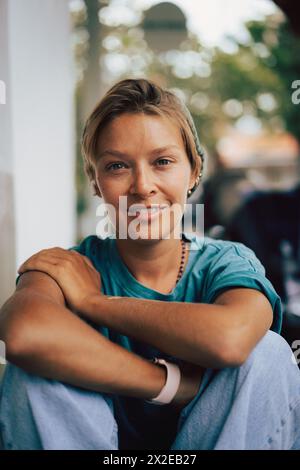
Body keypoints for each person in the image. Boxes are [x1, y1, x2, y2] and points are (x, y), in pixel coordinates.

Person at [0, 78, 300, 450]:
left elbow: (232, 338)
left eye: (162, 162)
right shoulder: (67, 268)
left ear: (193, 172)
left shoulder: (227, 262)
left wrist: (95, 304)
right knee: (33, 367)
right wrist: (171, 385)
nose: (143, 186)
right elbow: (24, 337)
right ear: (96, 182)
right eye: (117, 166)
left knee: (266, 353)